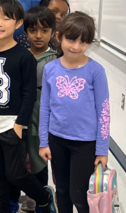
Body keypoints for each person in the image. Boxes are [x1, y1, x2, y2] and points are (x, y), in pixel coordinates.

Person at [0, 0, 57, 213]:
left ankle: (43, 197)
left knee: (15, 173)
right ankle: (2, 207)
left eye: (6, 18)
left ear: (18, 23)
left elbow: (29, 95)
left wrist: (20, 124)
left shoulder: (23, 57)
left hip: (11, 126)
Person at [39, 12, 110, 213]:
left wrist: (102, 149)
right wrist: (44, 141)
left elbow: (103, 112)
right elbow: (45, 107)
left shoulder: (96, 71)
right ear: (59, 36)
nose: (76, 46)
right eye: (71, 39)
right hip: (57, 139)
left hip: (85, 143)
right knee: (61, 190)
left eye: (83, 42)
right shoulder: (50, 69)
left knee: (79, 195)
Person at [19, 6, 58, 212]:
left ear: (53, 32)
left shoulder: (55, 59)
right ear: (26, 32)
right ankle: (27, 195)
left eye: (44, 30)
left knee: (39, 161)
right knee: (20, 160)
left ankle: (40, 196)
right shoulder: (20, 55)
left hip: (43, 120)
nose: (39, 35)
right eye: (33, 30)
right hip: (21, 118)